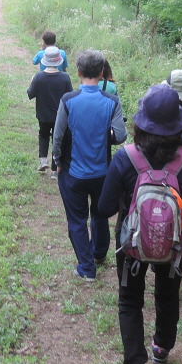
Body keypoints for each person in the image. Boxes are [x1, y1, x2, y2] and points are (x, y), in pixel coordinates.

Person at [97, 84, 182, 364]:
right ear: (180, 124)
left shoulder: (126, 157)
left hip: (132, 246)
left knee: (130, 301)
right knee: (168, 292)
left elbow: (104, 209)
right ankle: (161, 346)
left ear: (141, 122)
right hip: (174, 247)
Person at [52, 50, 127, 281]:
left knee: (77, 219)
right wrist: (105, 136)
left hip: (73, 172)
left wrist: (57, 161)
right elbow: (121, 135)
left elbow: (58, 136)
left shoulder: (68, 100)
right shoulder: (112, 101)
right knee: (99, 213)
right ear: (102, 72)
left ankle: (86, 267)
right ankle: (99, 253)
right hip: (102, 172)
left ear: (78, 72)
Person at [27, 47, 73, 173]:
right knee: (57, 139)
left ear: (44, 60)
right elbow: (70, 97)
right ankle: (54, 170)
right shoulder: (65, 77)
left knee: (43, 134)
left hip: (43, 114)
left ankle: (43, 160)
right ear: (59, 61)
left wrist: (32, 82)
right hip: (60, 115)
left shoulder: (39, 77)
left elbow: (30, 94)